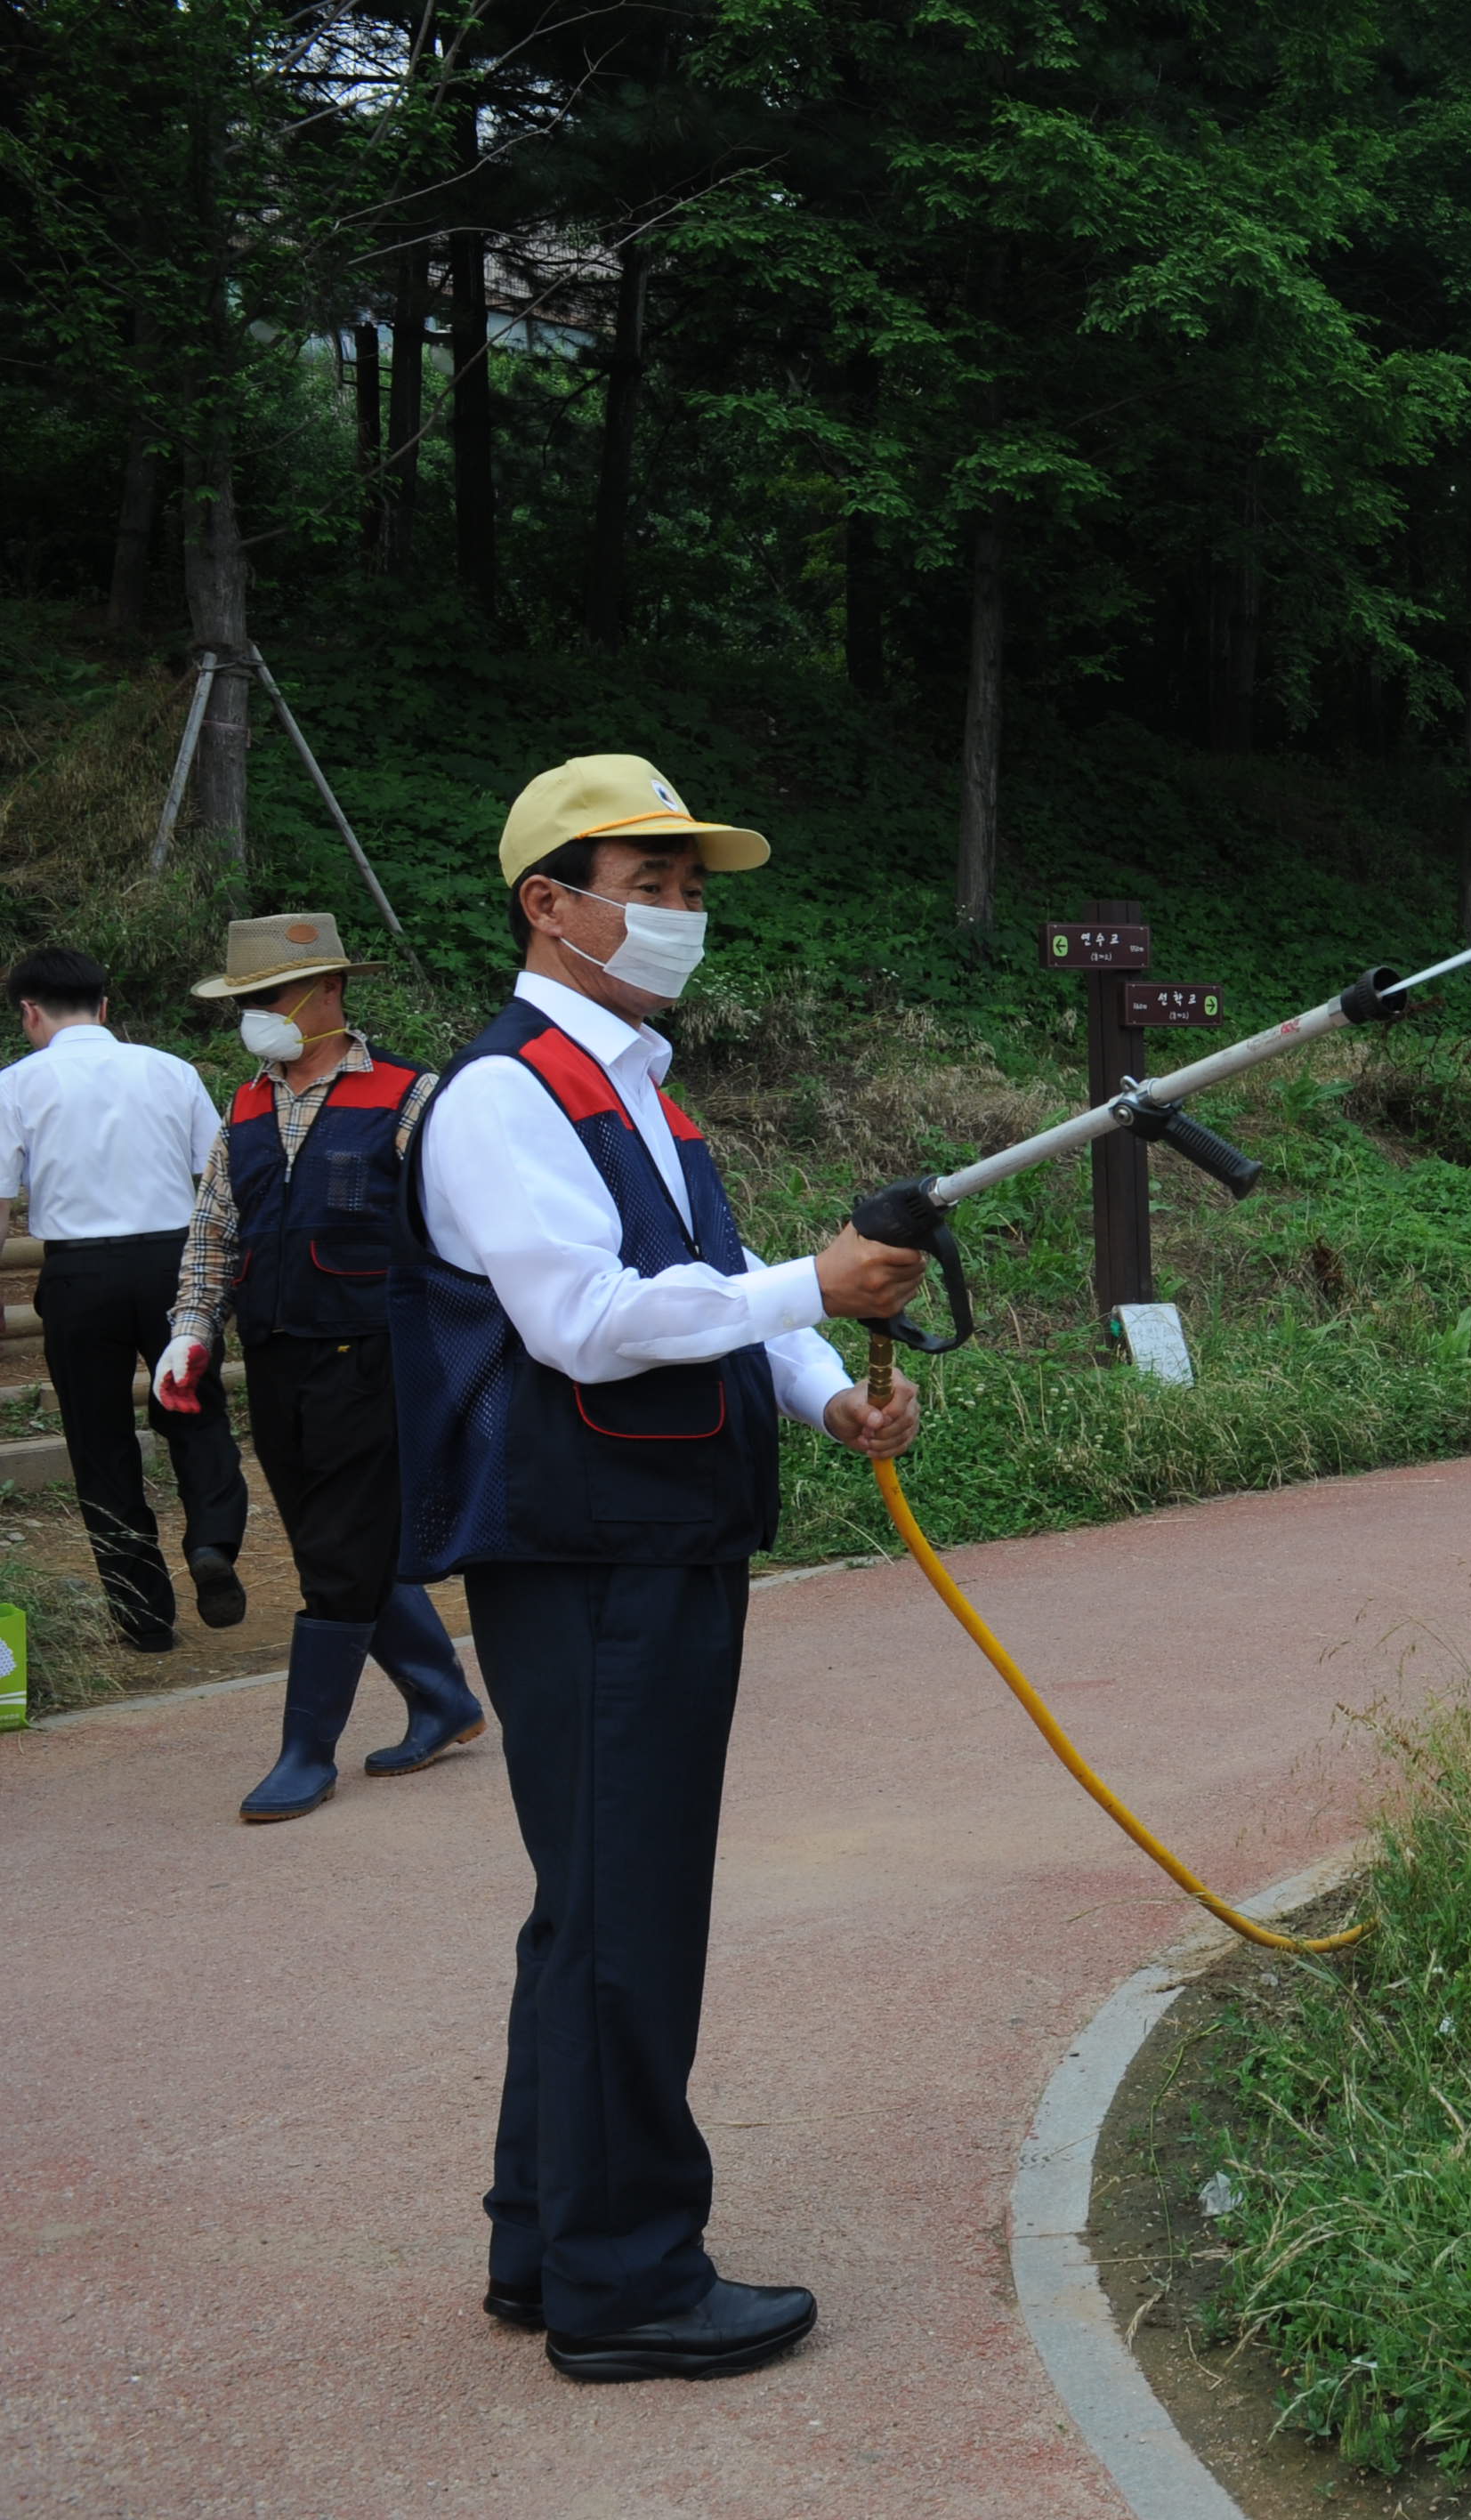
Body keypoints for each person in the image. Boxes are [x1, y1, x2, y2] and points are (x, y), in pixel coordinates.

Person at [397, 754, 925, 2385]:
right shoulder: (502, 1093)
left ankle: (545, 2236)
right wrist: (810, 1285)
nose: (682, 913)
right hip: (589, 1556)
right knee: (627, 1911)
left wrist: (824, 1381)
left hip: (663, 1541)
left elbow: (703, 1280)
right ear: (550, 903)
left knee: (594, 1903)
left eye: (695, 888)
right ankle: (625, 2286)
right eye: (651, 881)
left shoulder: (646, 1087)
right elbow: (585, 1322)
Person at [160, 913, 483, 1822]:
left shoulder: (413, 1097)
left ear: (329, 991)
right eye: (246, 1001)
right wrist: (190, 1332)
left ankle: (307, 1754)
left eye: (267, 997)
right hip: (274, 1359)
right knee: (329, 1541)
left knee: (339, 1553)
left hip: (376, 1361)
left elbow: (464, 1235)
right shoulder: (246, 1107)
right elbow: (214, 1234)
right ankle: (445, 1698)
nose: (255, 1016)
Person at [0, 944, 250, 1651]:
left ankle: (144, 1619)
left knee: (98, 1436)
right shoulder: (171, 1071)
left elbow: (0, 1197)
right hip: (175, 1264)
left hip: (78, 1276)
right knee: (196, 1409)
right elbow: (219, 1180)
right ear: (105, 1006)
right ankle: (213, 1541)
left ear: (29, 1010)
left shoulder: (15, 1085)